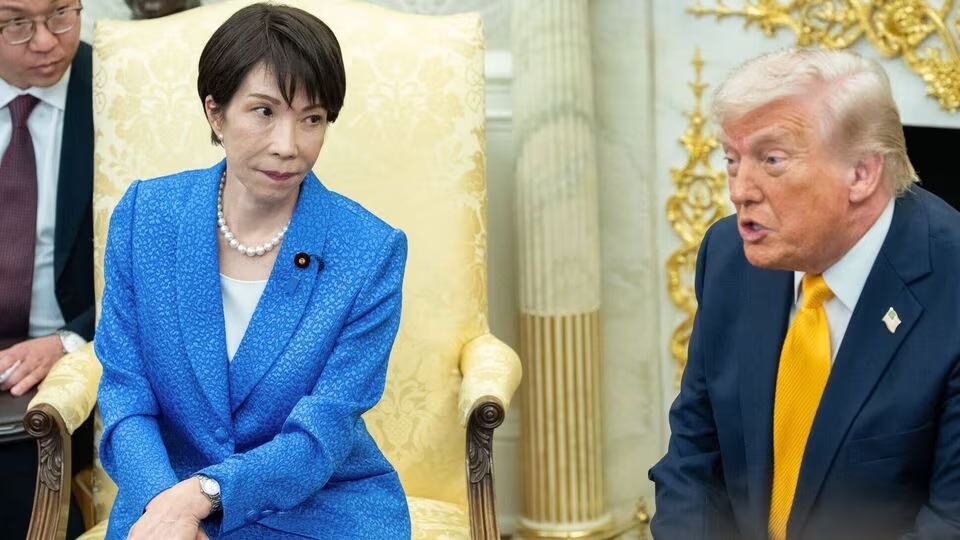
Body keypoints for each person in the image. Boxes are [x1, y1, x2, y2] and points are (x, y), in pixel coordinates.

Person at [95, 4, 411, 539]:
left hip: (316, 508)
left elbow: (323, 432)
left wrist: (204, 495)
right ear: (215, 113)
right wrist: (165, 507)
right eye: (264, 111)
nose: (289, 145)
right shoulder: (145, 218)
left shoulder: (371, 251)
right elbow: (126, 395)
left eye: (312, 118)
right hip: (162, 498)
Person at [649, 48, 960, 540]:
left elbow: (950, 522)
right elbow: (694, 458)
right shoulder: (729, 256)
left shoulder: (951, 284)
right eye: (732, 160)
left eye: (771, 160)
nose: (739, 191)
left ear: (861, 173)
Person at [0, 0, 93, 538]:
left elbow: (162, 267)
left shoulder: (120, 92)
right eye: (16, 23)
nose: (45, 41)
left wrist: (68, 341)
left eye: (61, 13)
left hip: (68, 353)